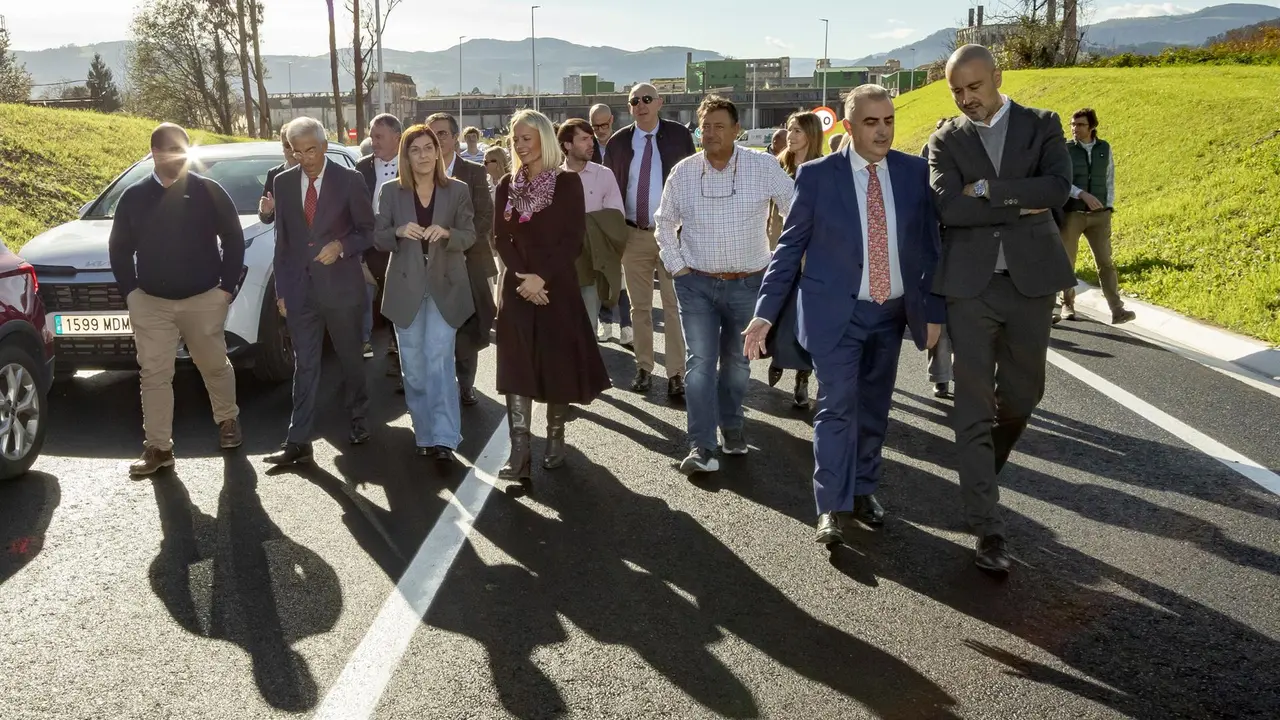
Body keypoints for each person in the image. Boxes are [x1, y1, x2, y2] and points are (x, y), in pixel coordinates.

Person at [745, 85, 944, 545]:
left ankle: (863, 489)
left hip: (891, 314)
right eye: (871, 122)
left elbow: (930, 248)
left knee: (874, 407)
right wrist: (764, 314)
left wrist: (932, 311)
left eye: (889, 120)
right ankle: (831, 505)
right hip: (836, 314)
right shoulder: (817, 176)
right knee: (836, 408)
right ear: (850, 127)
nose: (883, 131)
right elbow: (789, 248)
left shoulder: (915, 173)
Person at [928, 45, 1076, 572]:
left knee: (1023, 394)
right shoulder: (945, 138)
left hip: (1031, 280)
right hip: (969, 286)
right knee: (972, 404)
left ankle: (980, 472)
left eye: (975, 87)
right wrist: (1020, 199)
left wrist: (989, 189)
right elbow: (949, 207)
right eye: (958, 91)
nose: (967, 99)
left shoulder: (1042, 125)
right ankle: (988, 528)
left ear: (997, 76)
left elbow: (1058, 188)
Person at [655, 96, 794, 475]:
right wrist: (677, 267)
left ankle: (732, 427)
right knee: (700, 364)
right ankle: (702, 446)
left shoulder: (762, 166)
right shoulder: (683, 172)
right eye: (706, 126)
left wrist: (783, 261)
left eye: (720, 126)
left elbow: (795, 210)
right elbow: (664, 223)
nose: (712, 133)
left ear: (737, 130)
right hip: (695, 284)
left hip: (749, 285)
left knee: (736, 364)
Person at [108, 122, 246, 476]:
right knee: (153, 373)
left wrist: (225, 289)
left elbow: (233, 239)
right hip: (151, 302)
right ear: (155, 154)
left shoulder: (208, 191)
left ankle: (228, 420)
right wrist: (131, 293)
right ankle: (158, 448)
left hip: (203, 298)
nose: (181, 158)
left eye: (185, 150)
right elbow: (119, 249)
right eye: (172, 151)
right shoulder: (134, 197)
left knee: (213, 364)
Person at [493, 110, 611, 481]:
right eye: (516, 139)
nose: (521, 145)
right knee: (515, 366)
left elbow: (572, 240)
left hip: (555, 287)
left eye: (527, 138)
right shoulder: (505, 186)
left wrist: (540, 278)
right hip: (517, 286)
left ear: (544, 139)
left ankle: (556, 437)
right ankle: (520, 452)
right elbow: (500, 238)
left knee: (557, 364)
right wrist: (522, 276)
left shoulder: (567, 183)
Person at [265, 116, 376, 465]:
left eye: (311, 150)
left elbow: (367, 231)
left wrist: (342, 246)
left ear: (324, 146)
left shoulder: (350, 180)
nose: (305, 158)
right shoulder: (283, 183)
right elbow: (282, 242)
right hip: (300, 292)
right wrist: (282, 292)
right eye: (298, 152)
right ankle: (298, 440)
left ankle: (359, 419)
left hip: (342, 289)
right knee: (305, 364)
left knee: (349, 359)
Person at [374, 124, 477, 461]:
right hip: (405, 288)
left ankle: (446, 438)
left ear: (438, 151)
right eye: (415, 149)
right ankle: (425, 432)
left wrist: (446, 232)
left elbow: (470, 236)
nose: (423, 155)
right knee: (414, 370)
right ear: (406, 155)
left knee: (438, 362)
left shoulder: (457, 190)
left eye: (428, 147)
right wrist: (399, 230)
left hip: (446, 286)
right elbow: (379, 239)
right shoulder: (391, 192)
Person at [604, 83, 696, 398]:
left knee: (673, 306)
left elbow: (693, 181)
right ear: (629, 108)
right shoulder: (618, 143)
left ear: (659, 103)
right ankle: (644, 367)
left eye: (646, 99)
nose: (640, 105)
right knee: (639, 307)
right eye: (634, 101)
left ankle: (676, 374)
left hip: (671, 233)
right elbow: (611, 189)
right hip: (633, 234)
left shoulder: (679, 137)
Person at [426, 112, 497, 407]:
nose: (437, 139)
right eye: (431, 134)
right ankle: (441, 385)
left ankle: (466, 384)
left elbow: (484, 217)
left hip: (469, 262)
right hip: (430, 265)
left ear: (455, 138)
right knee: (436, 327)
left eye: (442, 133)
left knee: (468, 328)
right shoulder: (419, 172)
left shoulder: (474, 172)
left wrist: (454, 239)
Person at [765, 110, 824, 410]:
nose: (791, 136)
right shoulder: (778, 167)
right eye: (789, 129)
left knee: (804, 318)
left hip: (810, 257)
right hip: (777, 251)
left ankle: (803, 376)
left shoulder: (824, 169)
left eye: (798, 130)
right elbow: (769, 213)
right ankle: (777, 357)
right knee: (774, 311)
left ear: (811, 134)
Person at [1059, 107, 1135, 325]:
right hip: (1073, 213)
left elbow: (1110, 176)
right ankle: (1067, 304)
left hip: (1100, 216)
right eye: (1072, 124)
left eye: (1080, 124)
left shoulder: (1104, 148)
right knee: (1067, 261)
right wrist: (1081, 194)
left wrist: (1108, 206)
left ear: (1092, 127)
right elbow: (1062, 180)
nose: (1075, 129)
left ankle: (1117, 310)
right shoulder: (1066, 149)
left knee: (1106, 262)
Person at [559, 119, 627, 332]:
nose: (591, 144)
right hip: (558, 267)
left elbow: (616, 217)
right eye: (584, 139)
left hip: (592, 264)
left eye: (592, 139)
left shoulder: (604, 175)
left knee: (588, 327)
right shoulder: (552, 177)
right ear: (567, 145)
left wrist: (582, 224)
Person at [356, 113, 404, 361]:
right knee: (369, 300)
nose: (373, 141)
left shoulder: (411, 163)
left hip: (402, 244)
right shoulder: (361, 166)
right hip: (369, 244)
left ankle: (400, 353)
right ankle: (368, 344)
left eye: (379, 136)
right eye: (371, 136)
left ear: (397, 137)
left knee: (399, 300)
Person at [922, 116, 955, 400]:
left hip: (967, 248)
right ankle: (941, 377)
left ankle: (970, 375)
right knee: (939, 320)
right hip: (936, 249)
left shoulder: (970, 161)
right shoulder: (926, 162)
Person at [257, 122, 295, 225]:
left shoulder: (313, 172)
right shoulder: (274, 175)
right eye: (288, 145)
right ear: (282, 148)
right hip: (285, 239)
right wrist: (266, 212)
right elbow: (266, 219)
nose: (292, 150)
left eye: (295, 145)